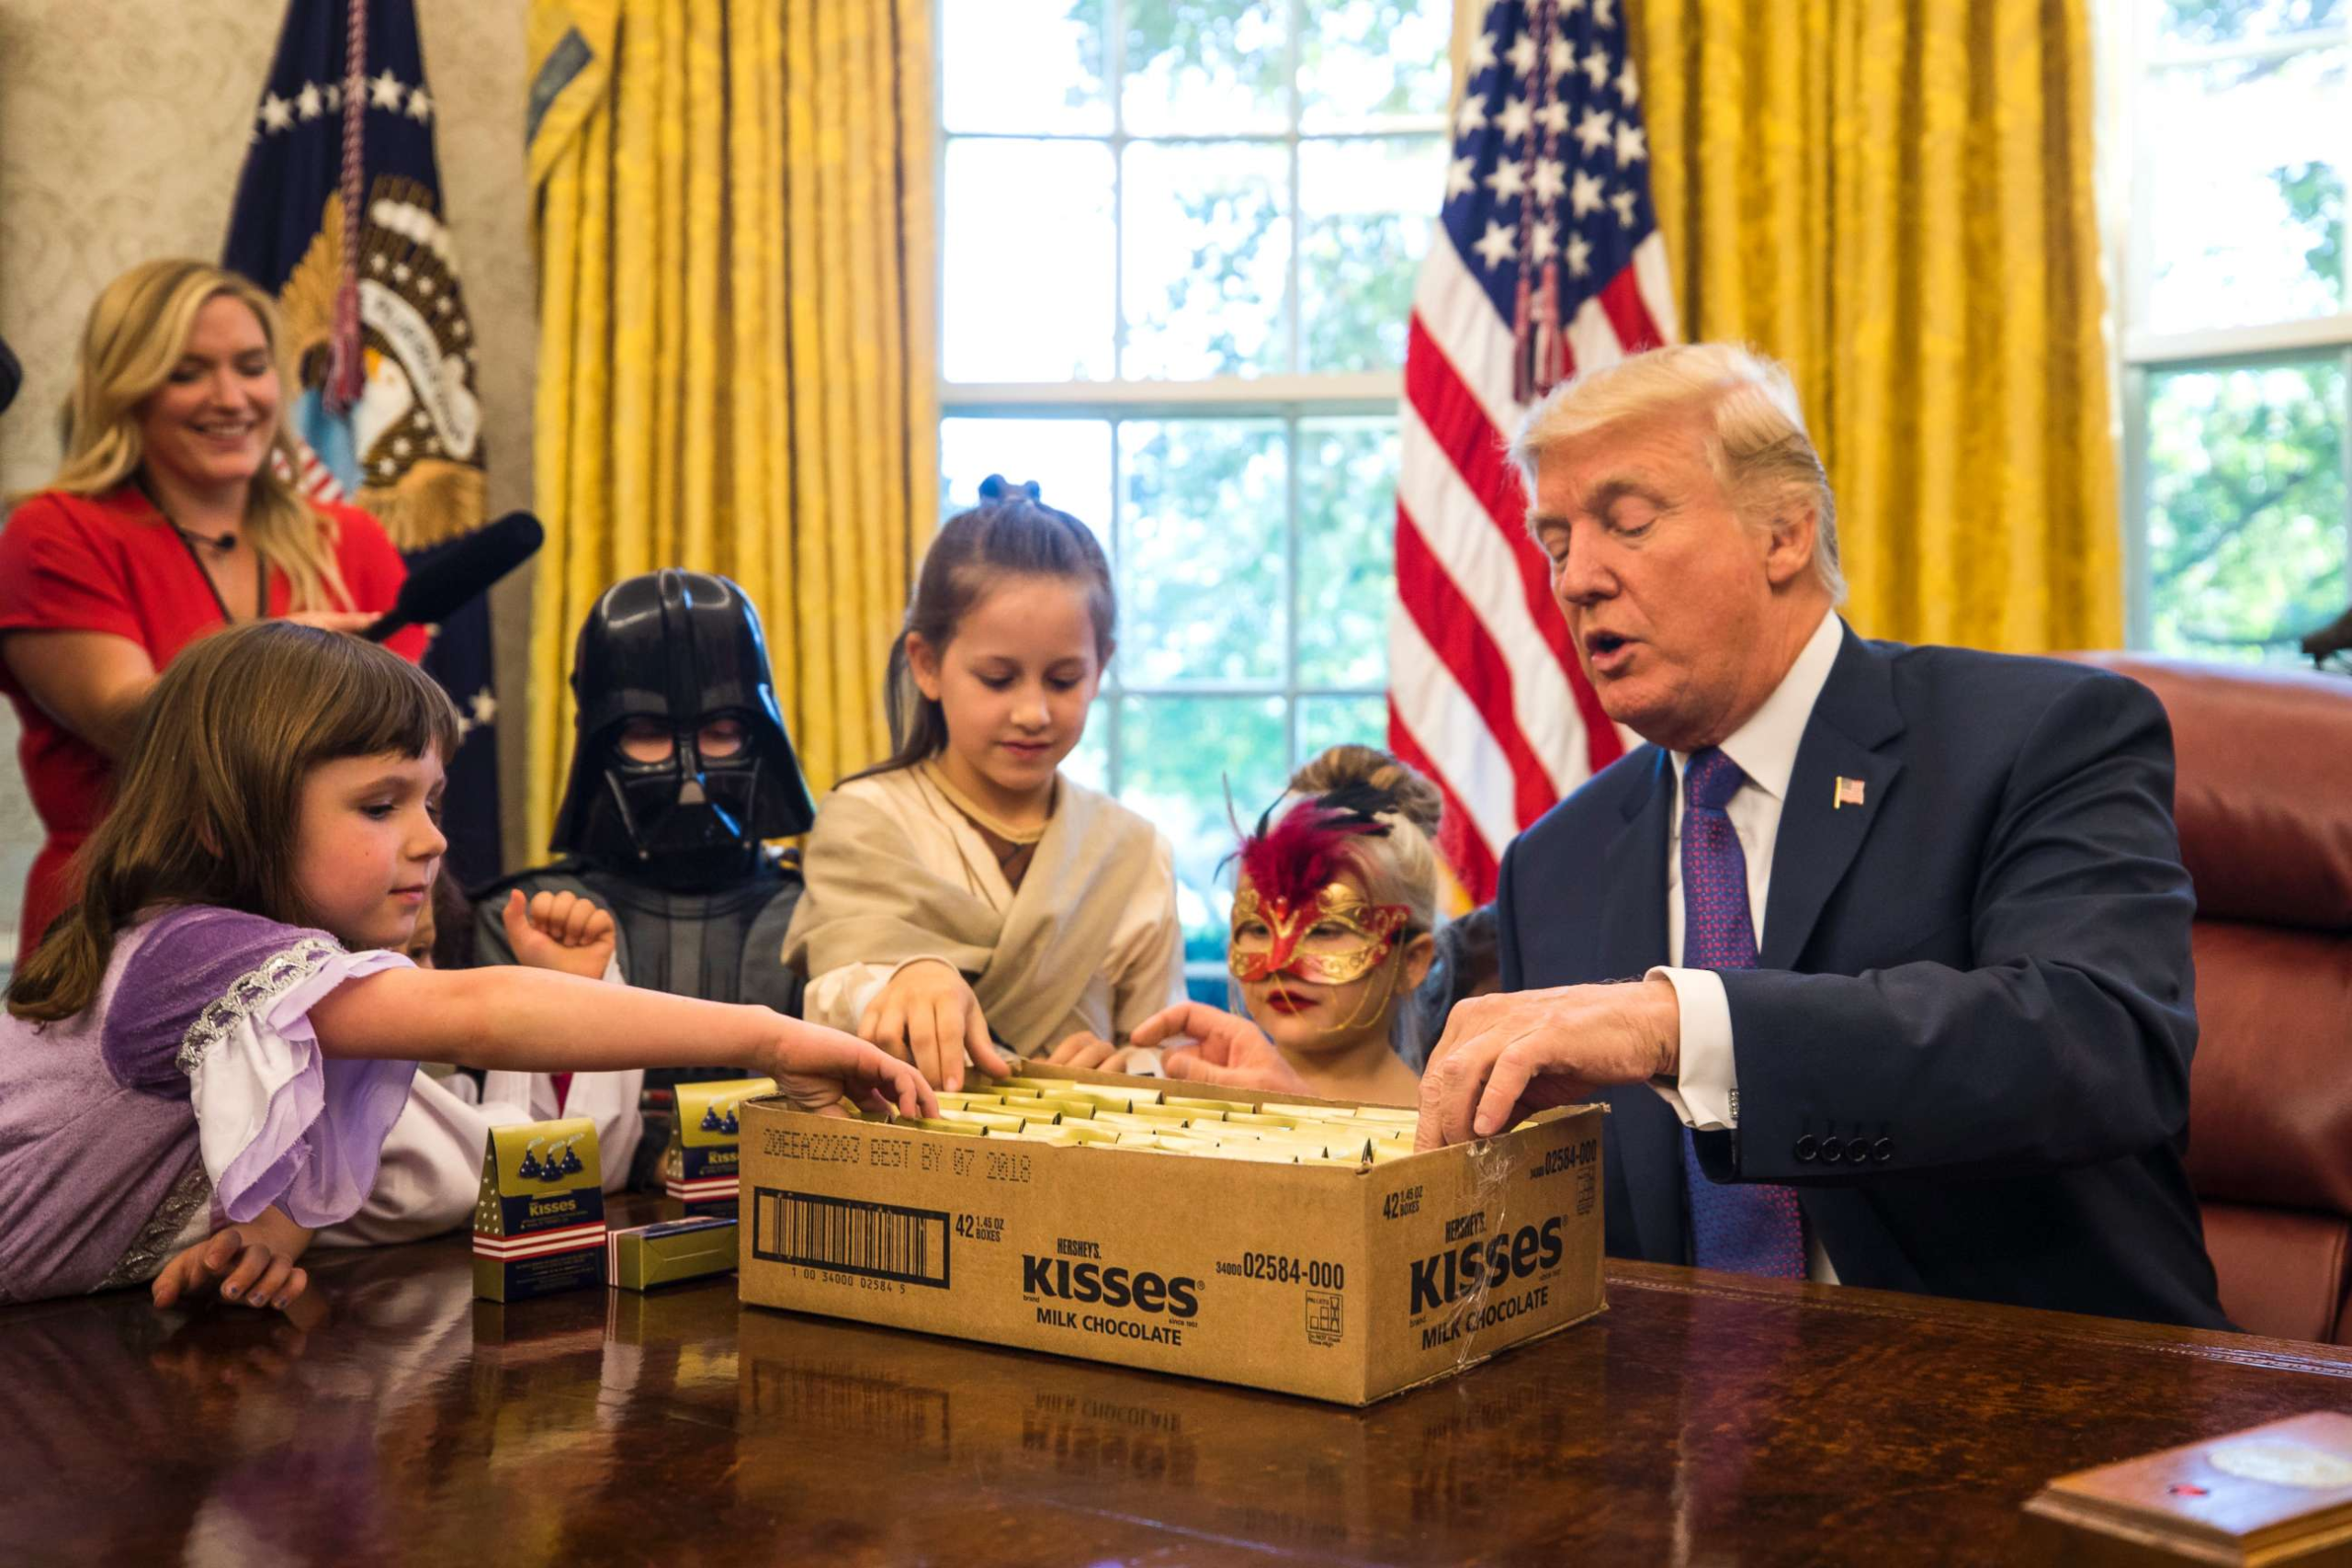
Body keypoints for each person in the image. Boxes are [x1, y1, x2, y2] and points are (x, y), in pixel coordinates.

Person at [1406, 343, 2226, 1329]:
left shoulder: (2039, 736)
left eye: (1627, 523)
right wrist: (1337, 1113)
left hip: (2026, 1404)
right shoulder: (1557, 864)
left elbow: (2100, 1049)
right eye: (1553, 542)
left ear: (1784, 533)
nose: (1577, 578)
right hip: (1671, 1432)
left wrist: (1680, 1028)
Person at [0, 622, 934, 1309]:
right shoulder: (190, 954)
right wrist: (773, 1036)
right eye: (379, 807)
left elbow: (307, 1158)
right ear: (221, 820)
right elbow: (485, 1012)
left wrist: (262, 1240)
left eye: (432, 801)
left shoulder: (292, 993)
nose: (431, 840)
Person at [0, 259, 426, 964]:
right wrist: (282, 657)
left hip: (335, 936)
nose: (230, 397)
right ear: (124, 390)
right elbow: (124, 719)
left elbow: (396, 762)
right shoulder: (54, 532)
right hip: (122, 930)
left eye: (252, 366)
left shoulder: (352, 541)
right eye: (187, 371)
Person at [784, 479, 1185, 1090]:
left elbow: (1167, 1049)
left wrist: (1130, 1069)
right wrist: (907, 980)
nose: (1033, 711)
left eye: (1063, 679)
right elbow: (831, 998)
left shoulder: (1134, 851)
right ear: (926, 664)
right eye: (998, 678)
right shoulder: (866, 819)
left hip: (1089, 1175)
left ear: (1101, 665)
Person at [1057, 746, 1442, 1106]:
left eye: (1325, 931)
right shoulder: (1185, 1098)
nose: (1279, 962)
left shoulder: (1447, 1138)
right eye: (1258, 929)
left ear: (1411, 961)